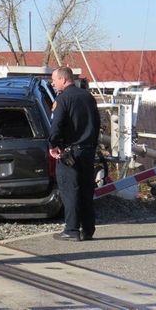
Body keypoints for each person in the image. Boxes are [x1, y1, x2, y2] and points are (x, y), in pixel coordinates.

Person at [48, 66, 100, 242]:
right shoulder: (88, 97)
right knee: (86, 190)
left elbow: (56, 125)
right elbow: (97, 123)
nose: (53, 84)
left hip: (69, 152)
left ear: (63, 79)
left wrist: (53, 144)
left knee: (70, 191)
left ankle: (71, 229)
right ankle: (88, 229)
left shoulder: (63, 99)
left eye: (54, 80)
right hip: (88, 150)